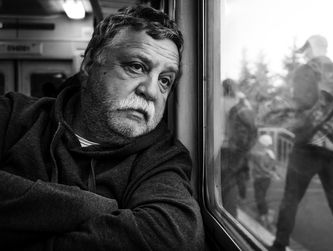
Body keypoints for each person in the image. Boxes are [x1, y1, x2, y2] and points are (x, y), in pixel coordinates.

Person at [0, 5, 204, 250]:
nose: (151, 91)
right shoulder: (12, 114)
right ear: (88, 66)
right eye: (136, 66)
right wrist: (92, 206)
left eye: (164, 80)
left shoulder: (162, 157)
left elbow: (174, 238)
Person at [270, 35, 333, 251]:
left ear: (314, 47)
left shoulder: (306, 70)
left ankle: (280, 244)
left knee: (291, 197)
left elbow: (301, 104)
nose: (305, 53)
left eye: (306, 49)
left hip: (307, 149)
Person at [221, 78, 257, 217]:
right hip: (237, 149)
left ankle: (229, 214)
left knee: (227, 185)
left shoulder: (221, 102)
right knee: (233, 182)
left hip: (226, 149)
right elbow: (252, 129)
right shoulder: (243, 103)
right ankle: (234, 209)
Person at [249, 134, 278, 229]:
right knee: (261, 196)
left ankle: (264, 215)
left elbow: (262, 167)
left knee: (259, 197)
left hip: (260, 178)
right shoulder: (270, 154)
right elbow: (272, 167)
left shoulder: (259, 154)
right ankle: (264, 214)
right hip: (266, 179)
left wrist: (268, 172)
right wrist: (271, 173)